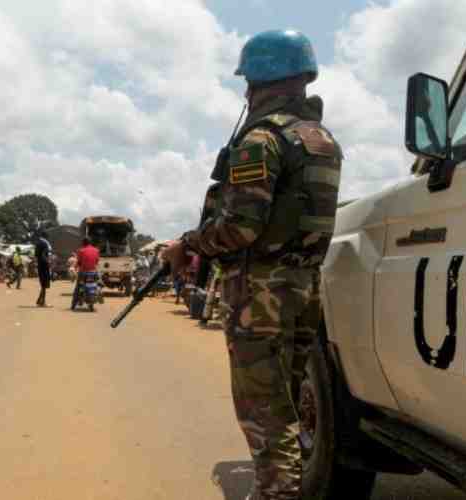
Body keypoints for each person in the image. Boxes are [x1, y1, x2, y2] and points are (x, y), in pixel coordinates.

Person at [162, 30, 342, 500]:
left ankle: (276, 494)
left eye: (248, 81)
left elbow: (240, 228)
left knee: (266, 410)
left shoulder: (262, 140)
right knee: (289, 399)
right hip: (305, 288)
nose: (245, 92)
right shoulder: (321, 140)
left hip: (262, 291)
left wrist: (189, 244)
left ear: (261, 79)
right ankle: (286, 485)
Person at [71, 237, 100, 309]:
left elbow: (79, 262)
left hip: (83, 273)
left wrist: (75, 268)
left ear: (83, 243)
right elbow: (96, 261)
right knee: (98, 284)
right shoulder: (96, 250)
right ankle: (97, 294)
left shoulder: (81, 251)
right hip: (93, 273)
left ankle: (73, 304)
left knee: (77, 287)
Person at [34, 232, 52, 307]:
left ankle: (39, 300)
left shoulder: (37, 243)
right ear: (46, 237)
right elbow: (43, 255)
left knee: (43, 285)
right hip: (44, 266)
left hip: (40, 266)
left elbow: (36, 255)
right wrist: (48, 262)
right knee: (44, 285)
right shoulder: (45, 244)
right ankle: (42, 302)